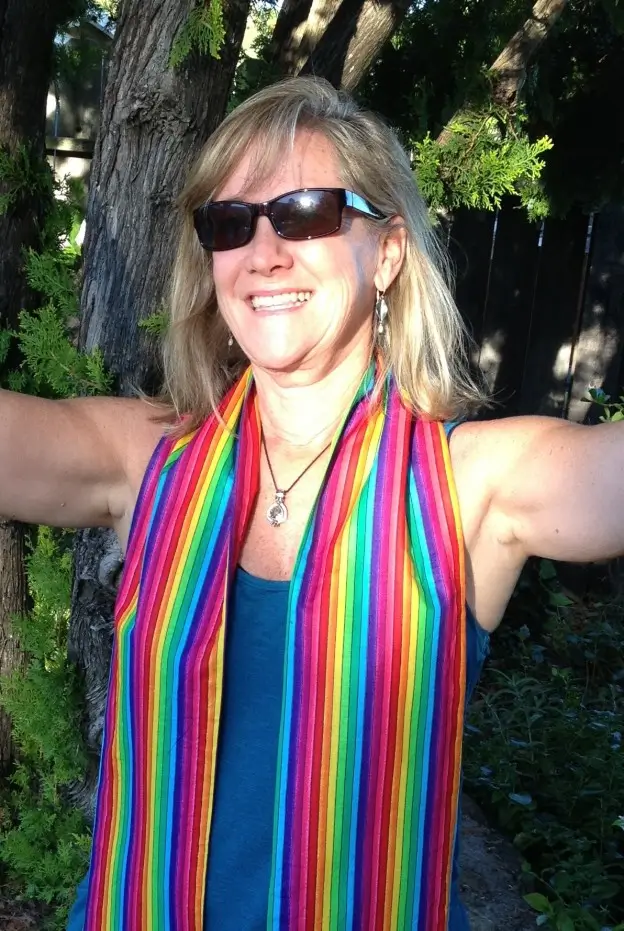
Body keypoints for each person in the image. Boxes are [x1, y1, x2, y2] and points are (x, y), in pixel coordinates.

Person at [1, 76, 622, 931]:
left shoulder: (465, 484)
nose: (265, 252)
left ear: (390, 252)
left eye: (305, 212)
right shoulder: (149, 461)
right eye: (231, 224)